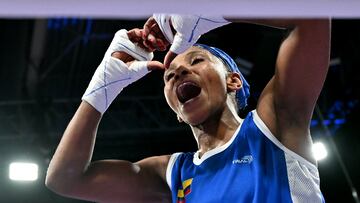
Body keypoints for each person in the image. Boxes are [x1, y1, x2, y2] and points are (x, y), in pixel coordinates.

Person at [45, 14, 330, 203]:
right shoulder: (173, 173)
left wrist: (217, 10)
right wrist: (102, 88)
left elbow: (314, 15)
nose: (178, 73)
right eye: (169, 75)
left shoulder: (274, 123)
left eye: (196, 62)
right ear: (176, 111)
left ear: (233, 81)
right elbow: (65, 179)